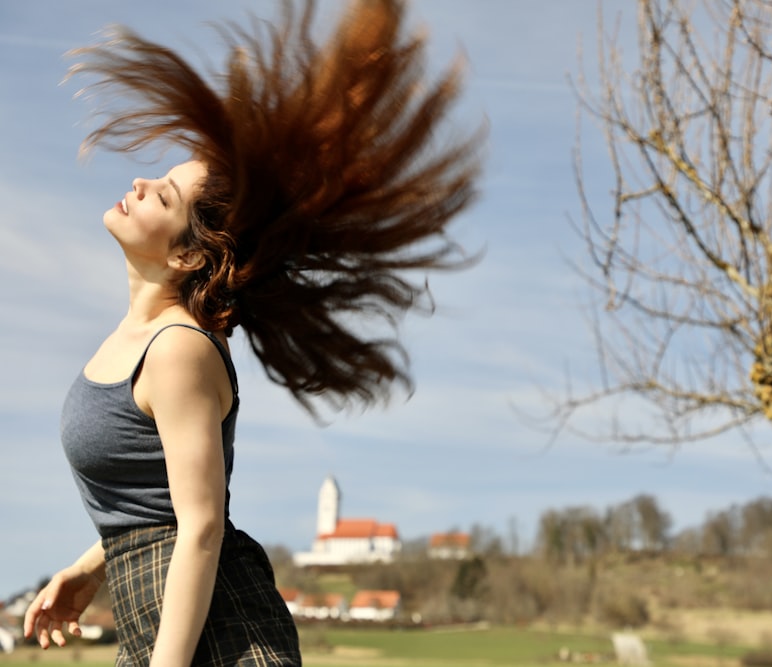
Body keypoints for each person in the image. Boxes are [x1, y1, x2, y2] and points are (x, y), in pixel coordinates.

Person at [22, 0, 482, 665]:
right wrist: (91, 566)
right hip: (163, 630)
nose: (141, 181)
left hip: (222, 639)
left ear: (185, 255)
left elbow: (203, 525)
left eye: (165, 196)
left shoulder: (176, 349)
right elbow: (159, 504)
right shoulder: (133, 340)